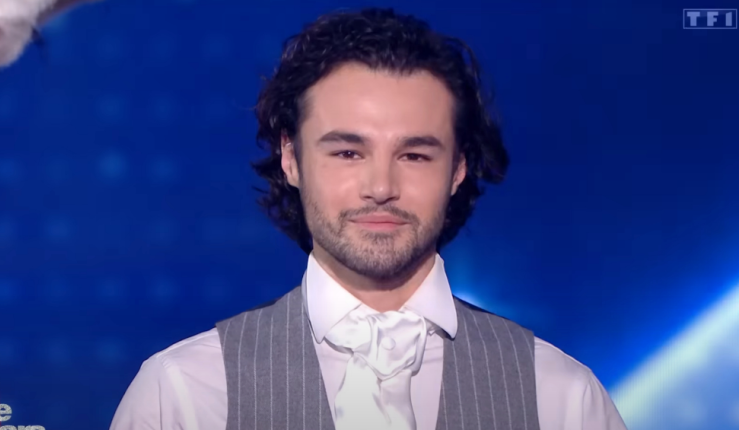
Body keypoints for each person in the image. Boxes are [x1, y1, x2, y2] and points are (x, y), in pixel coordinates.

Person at [110, 7, 628, 430]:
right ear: (291, 158)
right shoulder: (183, 395)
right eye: (348, 153)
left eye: (415, 155)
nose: (381, 187)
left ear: (458, 168)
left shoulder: (560, 398)